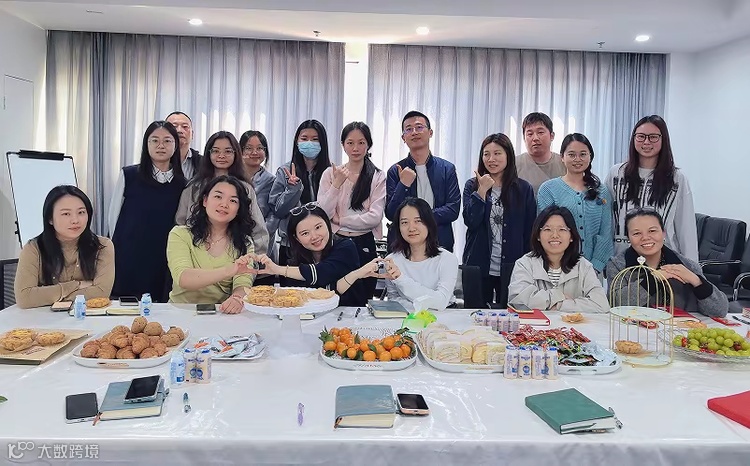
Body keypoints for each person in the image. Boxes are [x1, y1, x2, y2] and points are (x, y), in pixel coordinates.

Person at [109, 121, 185, 301]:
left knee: (159, 306)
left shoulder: (182, 183)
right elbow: (113, 217)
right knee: (126, 306)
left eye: (167, 141)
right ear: (146, 144)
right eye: (155, 140)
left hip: (163, 255)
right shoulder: (129, 175)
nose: (161, 146)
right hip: (129, 253)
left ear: (175, 145)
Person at [606, 115, 698, 262]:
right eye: (641, 136)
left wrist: (692, 267)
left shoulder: (676, 179)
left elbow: (686, 228)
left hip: (663, 261)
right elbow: (607, 219)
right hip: (621, 259)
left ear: (663, 139)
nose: (646, 142)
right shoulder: (616, 173)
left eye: (653, 137)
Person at [252, 203, 382, 307]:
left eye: (318, 227)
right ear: (297, 238)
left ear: (328, 224)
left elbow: (322, 273)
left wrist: (278, 270)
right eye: (305, 233)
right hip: (310, 318)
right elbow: (300, 296)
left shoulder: (346, 247)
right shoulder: (293, 260)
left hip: (348, 315)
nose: (314, 236)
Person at [606, 208, 728, 317]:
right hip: (634, 331)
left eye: (652, 231)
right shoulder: (617, 265)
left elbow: (720, 311)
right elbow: (616, 305)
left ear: (663, 233)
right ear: (628, 237)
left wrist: (697, 281)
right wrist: (655, 278)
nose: (645, 237)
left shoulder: (686, 265)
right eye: (637, 233)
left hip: (679, 330)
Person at [463, 133, 536, 308]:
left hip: (513, 265)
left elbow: (530, 230)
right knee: (475, 315)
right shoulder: (472, 186)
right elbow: (471, 221)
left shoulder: (523, 188)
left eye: (497, 153)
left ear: (508, 155)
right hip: (478, 263)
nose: (491, 159)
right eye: (486, 154)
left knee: (512, 315)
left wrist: (529, 264)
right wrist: (482, 191)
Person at [15, 186, 114, 309]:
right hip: (43, 317)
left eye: (81, 212)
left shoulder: (102, 246)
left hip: (88, 316)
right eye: (66, 214)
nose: (75, 220)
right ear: (50, 219)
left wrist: (44, 295)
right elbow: (25, 298)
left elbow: (101, 293)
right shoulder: (33, 248)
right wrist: (76, 285)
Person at [167, 176, 256, 312]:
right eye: (218, 197)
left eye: (233, 200)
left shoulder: (245, 242)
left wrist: (237, 298)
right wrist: (229, 271)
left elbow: (243, 282)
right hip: (180, 312)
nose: (224, 204)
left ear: (239, 209)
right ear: (205, 200)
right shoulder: (180, 234)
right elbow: (184, 278)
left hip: (221, 312)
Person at [318, 122, 386, 300]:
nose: (356, 148)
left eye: (361, 142)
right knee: (333, 295)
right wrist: (337, 183)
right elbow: (323, 213)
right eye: (350, 143)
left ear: (368, 144)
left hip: (364, 242)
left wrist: (341, 220)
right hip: (336, 242)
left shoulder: (377, 176)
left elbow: (374, 217)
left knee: (363, 296)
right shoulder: (330, 174)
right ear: (343, 145)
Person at [174, 131, 269, 255]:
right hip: (196, 255)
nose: (221, 155)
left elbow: (258, 230)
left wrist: (252, 259)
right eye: (216, 151)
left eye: (228, 151)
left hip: (236, 256)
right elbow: (181, 223)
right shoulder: (194, 187)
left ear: (236, 153)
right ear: (208, 153)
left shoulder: (245, 188)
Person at [508, 206, 609, 313]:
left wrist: (560, 305)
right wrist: (557, 296)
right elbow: (517, 301)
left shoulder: (583, 266)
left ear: (571, 236)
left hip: (573, 324)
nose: (555, 235)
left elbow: (601, 305)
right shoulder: (525, 264)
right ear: (538, 236)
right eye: (547, 229)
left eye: (562, 229)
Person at [385, 110, 460, 252]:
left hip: (439, 242)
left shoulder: (447, 169)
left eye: (419, 127)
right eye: (409, 129)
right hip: (403, 245)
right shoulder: (396, 170)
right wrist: (403, 184)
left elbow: (453, 209)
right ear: (403, 137)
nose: (414, 132)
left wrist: (419, 218)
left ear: (430, 132)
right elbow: (391, 213)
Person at [537, 133, 613, 273]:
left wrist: (595, 268)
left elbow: (606, 233)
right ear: (562, 157)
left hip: (592, 269)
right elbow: (545, 231)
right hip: (557, 267)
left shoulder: (601, 191)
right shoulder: (548, 189)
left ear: (590, 156)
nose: (577, 159)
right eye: (571, 155)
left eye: (583, 154)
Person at [268, 120, 332, 272]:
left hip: (322, 243)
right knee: (291, 286)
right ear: (297, 142)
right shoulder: (285, 171)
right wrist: (293, 189)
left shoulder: (331, 172)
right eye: (304, 138)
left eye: (315, 139)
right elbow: (278, 210)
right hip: (291, 244)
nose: (309, 143)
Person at [385, 198, 459, 311]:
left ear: (429, 224)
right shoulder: (392, 260)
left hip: (444, 317)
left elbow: (441, 302)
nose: (411, 228)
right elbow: (393, 300)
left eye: (418, 221)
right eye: (404, 222)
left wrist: (400, 278)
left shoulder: (447, 259)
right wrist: (420, 308)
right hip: (408, 318)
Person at [239, 130, 277, 241]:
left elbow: (274, 214)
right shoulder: (232, 178)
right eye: (249, 148)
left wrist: (260, 235)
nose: (254, 152)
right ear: (240, 151)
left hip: (262, 239)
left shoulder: (272, 181)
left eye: (259, 148)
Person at [516, 112, 566, 195]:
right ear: (524, 138)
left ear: (552, 136)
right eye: (530, 134)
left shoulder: (564, 163)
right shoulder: (513, 165)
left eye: (540, 132)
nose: (535, 138)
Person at [166, 111, 202, 181]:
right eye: (174, 126)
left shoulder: (203, 163)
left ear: (192, 134)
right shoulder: (156, 161)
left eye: (185, 127)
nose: (179, 130)